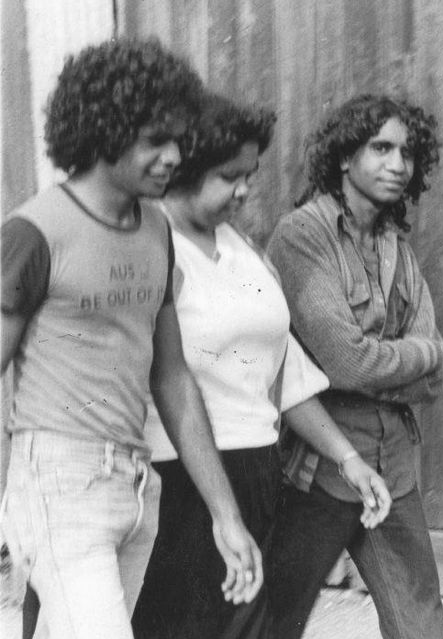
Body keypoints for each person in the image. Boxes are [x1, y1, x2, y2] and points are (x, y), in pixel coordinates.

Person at [0, 39, 262, 639]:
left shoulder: (156, 232)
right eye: (155, 141)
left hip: (136, 485)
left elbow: (172, 378)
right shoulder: (34, 232)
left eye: (179, 140)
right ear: (104, 131)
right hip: (60, 482)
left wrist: (225, 514)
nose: (175, 157)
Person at [129, 93, 392, 639]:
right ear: (186, 169)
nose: (244, 190)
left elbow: (283, 371)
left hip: (256, 469)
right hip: (179, 477)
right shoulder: (152, 245)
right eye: (229, 176)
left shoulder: (243, 247)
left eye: (249, 175)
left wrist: (347, 458)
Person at [261, 94, 443, 639]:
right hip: (318, 465)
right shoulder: (303, 235)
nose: (398, 164)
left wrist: (395, 361)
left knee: (421, 626)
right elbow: (350, 364)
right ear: (345, 157)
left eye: (407, 153)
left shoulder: (397, 248)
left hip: (393, 464)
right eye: (381, 148)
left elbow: (435, 376)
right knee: (273, 621)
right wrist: (416, 355)